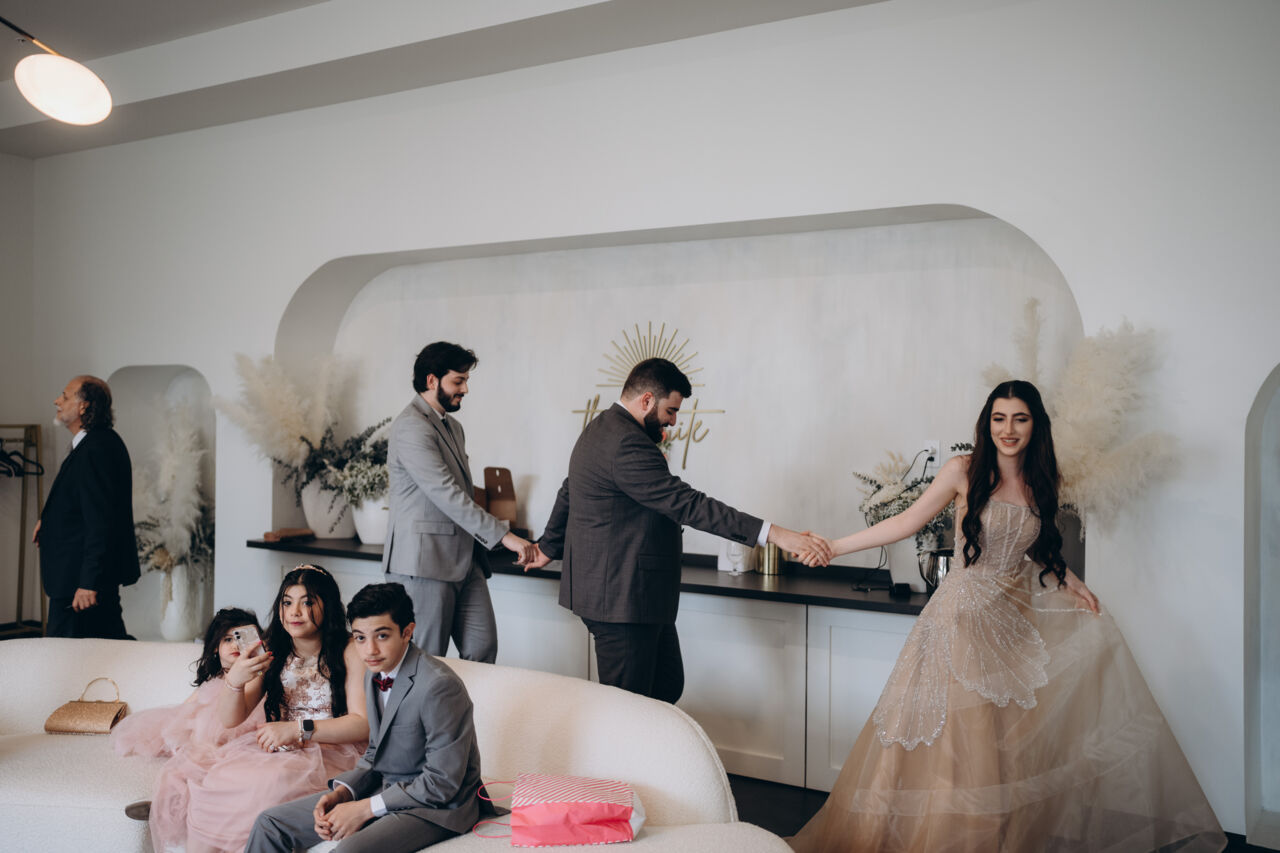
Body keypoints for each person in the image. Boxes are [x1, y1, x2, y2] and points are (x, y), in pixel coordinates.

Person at [787, 381, 1225, 852]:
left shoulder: (1043, 481)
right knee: (958, 742)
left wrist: (1072, 581)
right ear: (987, 423)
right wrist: (834, 547)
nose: (1008, 429)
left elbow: (1036, 549)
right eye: (999, 418)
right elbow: (906, 522)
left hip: (1009, 624)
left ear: (1036, 425)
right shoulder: (963, 471)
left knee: (1000, 749)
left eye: (1020, 418)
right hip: (957, 620)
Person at [526, 357, 832, 703]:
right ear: (647, 400)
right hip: (622, 599)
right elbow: (688, 504)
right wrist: (775, 534)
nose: (672, 421)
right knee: (628, 709)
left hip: (633, 596)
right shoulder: (626, 442)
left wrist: (548, 546)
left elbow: (569, 489)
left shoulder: (601, 428)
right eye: (670, 410)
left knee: (667, 687)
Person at [246, 582, 492, 853]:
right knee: (270, 823)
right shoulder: (374, 674)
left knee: (348, 851)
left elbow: (442, 782)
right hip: (386, 789)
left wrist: (365, 808)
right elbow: (376, 752)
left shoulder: (439, 686)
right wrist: (343, 793)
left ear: (407, 632)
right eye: (360, 638)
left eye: (382, 636)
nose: (370, 650)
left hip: (437, 806)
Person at [164, 565, 368, 853]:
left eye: (307, 602)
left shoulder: (350, 650)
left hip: (332, 750)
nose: (294, 612)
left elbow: (362, 723)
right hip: (278, 749)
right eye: (287, 602)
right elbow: (231, 719)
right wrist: (235, 682)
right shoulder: (272, 648)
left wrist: (298, 729)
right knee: (217, 780)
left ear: (329, 605)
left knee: (271, 784)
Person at [382, 342, 536, 663]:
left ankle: (463, 701)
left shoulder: (453, 427)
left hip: (467, 561)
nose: (465, 389)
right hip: (424, 564)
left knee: (483, 650)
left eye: (466, 380)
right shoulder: (411, 426)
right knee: (425, 661)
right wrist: (505, 536)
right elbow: (446, 494)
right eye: (458, 380)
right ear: (431, 380)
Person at [112, 608, 265, 837]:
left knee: (206, 757)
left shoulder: (255, 676)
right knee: (187, 746)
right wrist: (175, 731)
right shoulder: (214, 680)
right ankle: (168, 803)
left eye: (240, 638)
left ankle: (171, 804)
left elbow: (239, 714)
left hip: (239, 727)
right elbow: (185, 708)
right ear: (215, 647)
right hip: (206, 730)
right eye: (227, 639)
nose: (235, 644)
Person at [33, 375, 140, 638]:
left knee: (69, 656)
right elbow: (81, 503)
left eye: (65, 396)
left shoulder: (97, 448)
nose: (57, 401)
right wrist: (47, 521)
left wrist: (88, 583)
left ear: (84, 406)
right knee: (106, 650)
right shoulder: (95, 443)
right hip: (76, 581)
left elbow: (101, 521)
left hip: (79, 587)